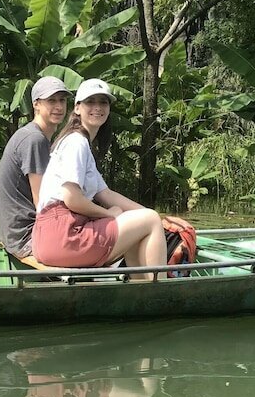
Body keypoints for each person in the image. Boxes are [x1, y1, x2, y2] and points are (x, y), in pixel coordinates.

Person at [32, 78, 173, 281]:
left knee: (145, 219)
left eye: (103, 102)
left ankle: (140, 288)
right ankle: (160, 290)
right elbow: (72, 199)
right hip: (63, 236)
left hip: (51, 237)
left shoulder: (78, 142)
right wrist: (109, 214)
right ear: (77, 108)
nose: (97, 107)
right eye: (90, 102)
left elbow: (105, 194)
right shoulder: (76, 143)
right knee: (149, 220)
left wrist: (150, 215)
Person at [0, 75, 72, 259]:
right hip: (26, 239)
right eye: (51, 101)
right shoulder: (34, 139)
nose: (59, 107)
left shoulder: (33, 135)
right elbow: (43, 203)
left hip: (17, 235)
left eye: (62, 100)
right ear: (36, 104)